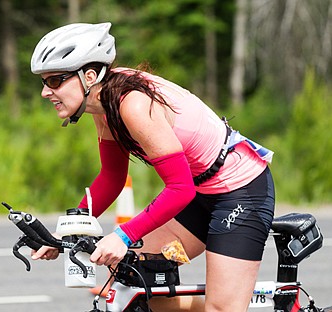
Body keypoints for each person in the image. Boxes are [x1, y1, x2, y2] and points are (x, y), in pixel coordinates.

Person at [29, 22, 275, 312]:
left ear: (89, 76)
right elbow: (112, 177)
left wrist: (123, 235)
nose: (46, 92)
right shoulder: (102, 104)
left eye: (55, 80)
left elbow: (179, 189)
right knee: (133, 282)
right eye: (44, 82)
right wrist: (68, 232)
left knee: (221, 308)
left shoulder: (132, 104)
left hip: (240, 193)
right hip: (199, 194)